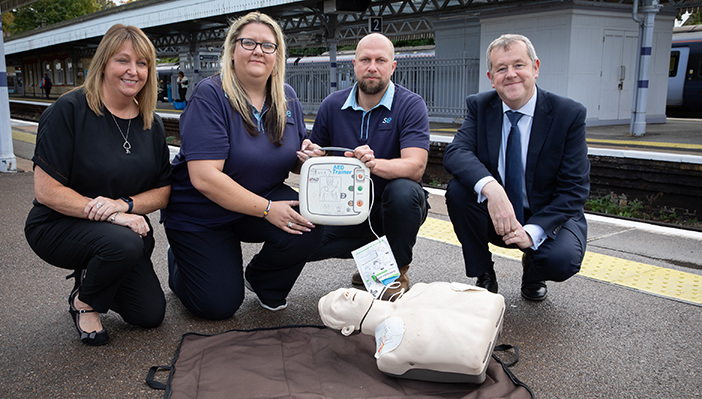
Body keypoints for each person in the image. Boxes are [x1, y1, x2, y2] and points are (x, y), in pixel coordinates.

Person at [161, 11, 324, 320]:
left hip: (257, 200)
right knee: (218, 306)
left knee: (309, 221)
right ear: (232, 50)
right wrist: (267, 209)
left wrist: (309, 157)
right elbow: (205, 178)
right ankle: (181, 261)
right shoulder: (210, 96)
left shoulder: (286, 98)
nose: (258, 50)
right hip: (202, 213)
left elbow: (294, 159)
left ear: (278, 55)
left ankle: (265, 282)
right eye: (248, 42)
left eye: (268, 45)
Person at [24, 24, 172, 346]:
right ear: (104, 63)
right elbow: (46, 191)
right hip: (58, 224)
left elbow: (163, 191)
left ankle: (92, 278)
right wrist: (112, 216)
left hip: (118, 232)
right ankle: (84, 302)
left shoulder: (152, 123)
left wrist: (124, 206)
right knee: (126, 243)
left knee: (150, 315)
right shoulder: (69, 110)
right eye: (123, 61)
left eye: (142, 63)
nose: (133, 71)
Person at [444, 34, 590, 302]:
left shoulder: (568, 115)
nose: (510, 75)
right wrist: (493, 190)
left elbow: (574, 190)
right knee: (458, 190)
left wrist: (532, 233)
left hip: (546, 214)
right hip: (496, 213)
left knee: (561, 260)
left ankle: (534, 271)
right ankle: (484, 273)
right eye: (501, 68)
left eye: (518, 65)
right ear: (491, 77)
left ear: (535, 67)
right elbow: (456, 152)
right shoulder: (480, 106)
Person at [304, 33, 430, 300]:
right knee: (305, 244)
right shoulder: (332, 105)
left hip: (392, 211)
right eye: (365, 59)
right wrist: (312, 155)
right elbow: (316, 156)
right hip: (346, 206)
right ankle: (372, 262)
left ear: (392, 66)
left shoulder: (410, 105)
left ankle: (396, 270)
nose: (372, 67)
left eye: (380, 60)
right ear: (354, 64)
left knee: (403, 193)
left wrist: (373, 165)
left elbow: (415, 167)